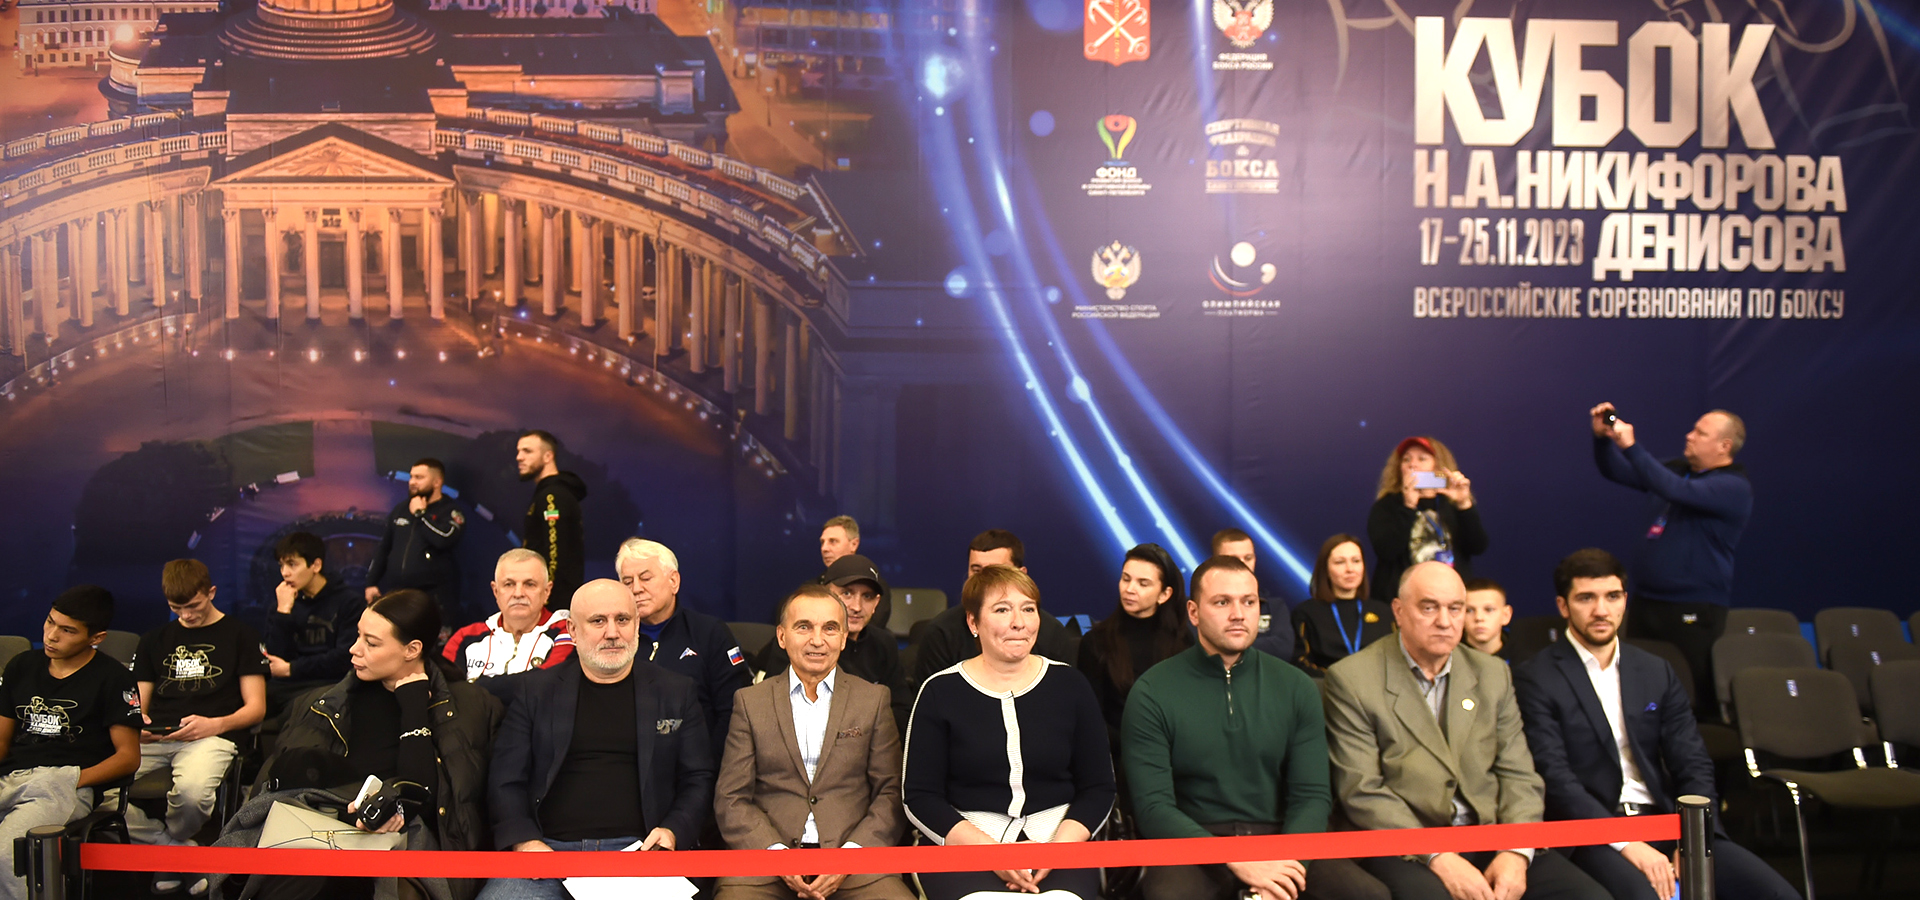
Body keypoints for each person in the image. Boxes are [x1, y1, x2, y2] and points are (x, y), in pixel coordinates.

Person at [1514, 549, 1799, 900]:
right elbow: (1555, 778)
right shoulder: (1536, 677)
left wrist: (1694, 836)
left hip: (1667, 821)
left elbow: (1692, 761)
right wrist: (1627, 842)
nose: (1601, 610)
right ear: (1563, 606)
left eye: (1612, 596)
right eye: (1586, 598)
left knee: (1778, 894)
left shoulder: (1655, 670)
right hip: (1593, 831)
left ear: (1624, 601)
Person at [1323, 562, 1607, 900]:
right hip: (1406, 842)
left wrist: (1516, 851)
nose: (1445, 621)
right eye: (1429, 608)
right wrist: (1439, 857)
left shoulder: (1492, 674)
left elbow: (1519, 775)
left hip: (1491, 835)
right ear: (1398, 611)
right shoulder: (1352, 679)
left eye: (1455, 608)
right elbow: (1362, 790)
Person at [213, 590, 501, 900]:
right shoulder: (321, 703)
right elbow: (272, 788)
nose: (354, 649)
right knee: (310, 874)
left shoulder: (469, 707)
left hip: (403, 851)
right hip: (317, 833)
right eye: (358, 635)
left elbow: (432, 801)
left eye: (371, 643)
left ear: (412, 649)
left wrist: (414, 708)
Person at [1124, 556, 1381, 900]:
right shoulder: (1152, 690)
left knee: (1368, 895)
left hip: (1283, 838)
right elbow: (1153, 808)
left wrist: (1286, 866)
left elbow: (1312, 796)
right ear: (1193, 612)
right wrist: (1237, 859)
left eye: (1249, 602)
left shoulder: (1297, 686)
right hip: (1193, 844)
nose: (1238, 614)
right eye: (1222, 602)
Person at [483, 580, 715, 900]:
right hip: (547, 855)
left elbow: (698, 777)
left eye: (622, 619)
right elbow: (505, 779)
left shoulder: (677, 692)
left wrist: (673, 831)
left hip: (642, 854)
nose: (612, 632)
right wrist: (525, 841)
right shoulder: (535, 692)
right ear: (572, 630)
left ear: (636, 625)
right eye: (597, 621)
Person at [903, 565, 1114, 900]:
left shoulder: (1071, 685)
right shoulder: (939, 691)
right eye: (1002, 610)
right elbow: (919, 796)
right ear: (973, 622)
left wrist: (1058, 849)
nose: (1019, 622)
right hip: (966, 843)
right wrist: (991, 852)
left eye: (1028, 609)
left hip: (1059, 840)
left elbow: (1099, 788)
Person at [714, 584, 912, 900]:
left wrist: (850, 855)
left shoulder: (873, 700)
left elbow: (890, 793)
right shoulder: (750, 702)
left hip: (856, 862)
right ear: (782, 636)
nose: (817, 640)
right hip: (764, 861)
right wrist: (776, 854)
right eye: (804, 627)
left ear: (844, 638)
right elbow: (731, 798)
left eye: (830, 628)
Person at [1589, 403, 1753, 706]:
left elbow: (1674, 490)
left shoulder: (1733, 487)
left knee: (1688, 695)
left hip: (1692, 607)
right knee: (1641, 691)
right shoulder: (1678, 470)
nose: (1689, 436)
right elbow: (1617, 471)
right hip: (1648, 602)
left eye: (1701, 433)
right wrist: (1603, 440)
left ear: (1724, 446)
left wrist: (1632, 447)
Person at [128, 561, 268, 891]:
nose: (187, 615)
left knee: (192, 794)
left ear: (211, 593)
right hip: (157, 737)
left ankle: (170, 852)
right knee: (92, 792)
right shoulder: (153, 640)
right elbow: (138, 707)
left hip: (212, 735)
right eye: (177, 608)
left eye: (194, 605)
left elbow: (257, 709)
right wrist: (138, 726)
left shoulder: (241, 635)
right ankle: (176, 851)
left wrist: (214, 725)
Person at [0, 587, 141, 900]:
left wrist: (70, 779)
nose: (51, 636)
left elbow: (128, 757)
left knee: (8, 854)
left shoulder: (114, 678)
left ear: (96, 637)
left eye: (67, 630)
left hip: (66, 784)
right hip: (12, 776)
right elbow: (2, 739)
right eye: (50, 622)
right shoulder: (21, 666)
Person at [616, 538, 752, 756]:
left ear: (673, 581)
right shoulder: (614, 638)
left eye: (645, 578)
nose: (636, 589)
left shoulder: (709, 632)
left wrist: (707, 767)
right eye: (627, 581)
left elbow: (735, 710)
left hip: (700, 761)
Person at [908, 530, 1077, 694]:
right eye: (977, 570)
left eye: (996, 571)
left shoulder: (1053, 633)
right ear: (972, 622)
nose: (985, 579)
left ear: (1022, 574)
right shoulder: (941, 632)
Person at [755, 554, 909, 733]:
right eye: (847, 593)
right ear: (826, 594)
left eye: (867, 596)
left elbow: (903, 712)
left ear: (877, 603)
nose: (857, 607)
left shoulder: (884, 643)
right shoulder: (799, 643)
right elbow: (778, 712)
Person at [1076, 543, 1192, 755]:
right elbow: (1091, 719)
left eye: (1143, 583)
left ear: (1164, 594)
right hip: (1120, 757)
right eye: (1126, 579)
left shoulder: (1183, 642)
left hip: (1177, 756)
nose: (1129, 589)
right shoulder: (1096, 642)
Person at [1367, 437, 1487, 603]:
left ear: (1438, 466)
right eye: (1406, 459)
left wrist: (1464, 505)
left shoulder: (1451, 503)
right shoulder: (1387, 505)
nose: (1412, 464)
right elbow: (1386, 550)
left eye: (1422, 459)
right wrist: (1408, 507)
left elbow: (1477, 546)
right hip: (1402, 599)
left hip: (1450, 597)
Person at [444, 549, 574, 698]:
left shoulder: (567, 631)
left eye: (529, 584)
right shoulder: (465, 637)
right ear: (496, 591)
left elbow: (548, 682)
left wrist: (476, 686)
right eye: (509, 584)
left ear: (547, 591)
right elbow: (446, 692)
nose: (518, 593)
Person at [264, 532, 366, 712]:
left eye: (292, 564)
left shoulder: (349, 602)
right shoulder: (282, 604)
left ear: (316, 565)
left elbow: (345, 658)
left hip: (331, 684)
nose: (285, 573)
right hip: (287, 685)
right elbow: (275, 659)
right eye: (281, 565)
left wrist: (292, 668)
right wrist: (283, 612)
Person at [365, 458, 466, 612]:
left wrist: (420, 514)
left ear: (437, 482)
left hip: (434, 598)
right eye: (411, 477)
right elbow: (384, 548)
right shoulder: (401, 509)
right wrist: (371, 582)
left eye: (419, 478)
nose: (412, 482)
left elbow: (444, 539)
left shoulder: (450, 511)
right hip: (398, 594)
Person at [1293, 534, 1393, 675]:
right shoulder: (1306, 613)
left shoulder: (1384, 612)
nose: (1350, 569)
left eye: (1356, 561)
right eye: (1340, 562)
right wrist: (1339, 682)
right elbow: (1299, 663)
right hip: (1326, 686)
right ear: (1325, 569)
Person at [516, 430, 587, 610]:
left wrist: (546, 601)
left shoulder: (552, 495)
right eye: (518, 451)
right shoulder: (548, 493)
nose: (519, 457)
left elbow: (556, 553)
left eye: (527, 451)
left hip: (554, 605)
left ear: (548, 456)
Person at [1211, 528, 1295, 663]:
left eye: (1248, 558)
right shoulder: (1201, 605)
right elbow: (1202, 648)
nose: (1243, 564)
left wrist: (1228, 647)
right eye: (1233, 559)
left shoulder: (1275, 606)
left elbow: (1283, 649)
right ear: (1215, 561)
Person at [1462, 578, 1514, 662]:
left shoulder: (1525, 662)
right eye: (1469, 610)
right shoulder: (1447, 659)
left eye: (1489, 610)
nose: (1479, 617)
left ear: (1506, 615)